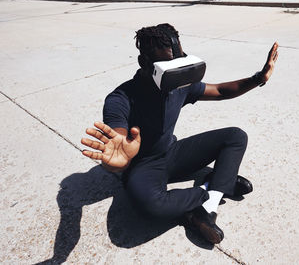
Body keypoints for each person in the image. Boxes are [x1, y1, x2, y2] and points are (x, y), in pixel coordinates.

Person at [81, 23, 278, 244]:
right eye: (168, 66)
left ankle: (207, 206)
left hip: (172, 153)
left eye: (179, 61)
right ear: (144, 63)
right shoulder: (121, 98)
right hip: (143, 167)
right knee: (151, 206)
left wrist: (258, 78)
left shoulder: (179, 85)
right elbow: (117, 142)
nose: (176, 71)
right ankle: (216, 186)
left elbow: (220, 91)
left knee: (235, 136)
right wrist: (119, 161)